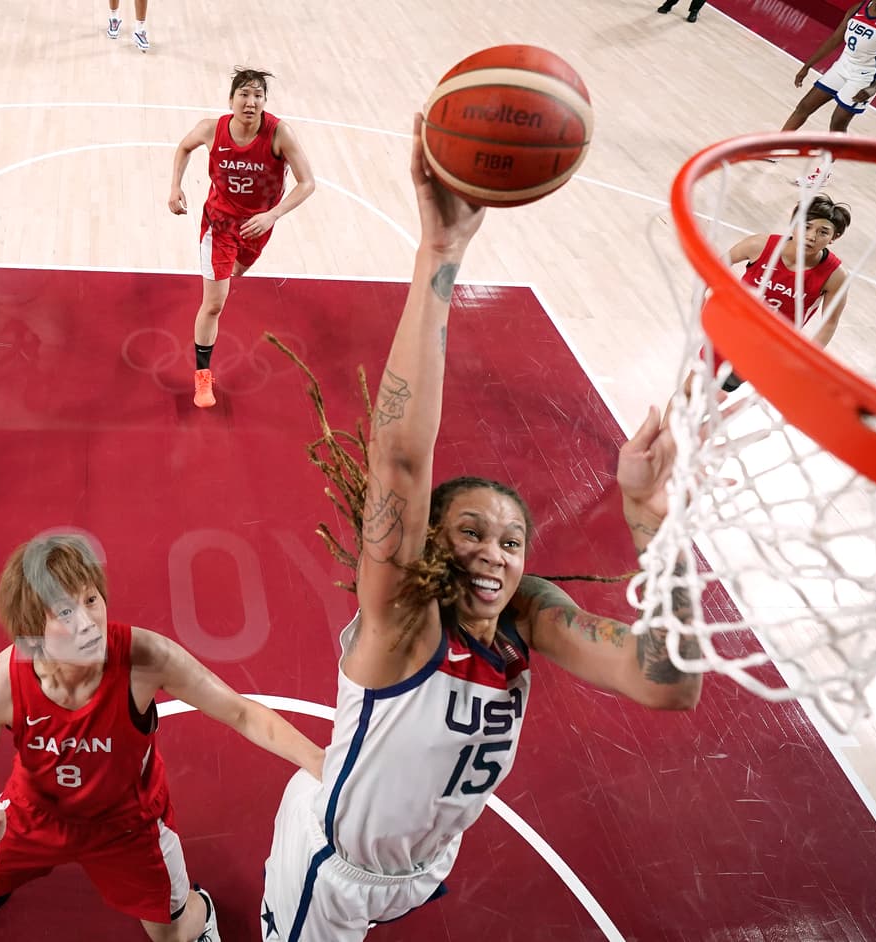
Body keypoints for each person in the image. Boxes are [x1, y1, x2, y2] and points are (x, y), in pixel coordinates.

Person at [257, 114, 703, 941]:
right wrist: (440, 253)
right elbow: (397, 459)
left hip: (424, 866)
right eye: (468, 531)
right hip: (334, 873)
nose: (492, 551)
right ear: (430, 540)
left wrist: (652, 519)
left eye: (509, 539)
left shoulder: (524, 625)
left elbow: (668, 685)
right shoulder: (401, 623)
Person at [0, 535, 326, 942]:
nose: (88, 623)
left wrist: (322, 762)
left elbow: (241, 712)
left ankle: (200, 911)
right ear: (33, 630)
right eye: (65, 613)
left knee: (173, 935)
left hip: (127, 824)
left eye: (91, 600)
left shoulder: (144, 659)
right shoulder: (3, 682)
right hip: (36, 815)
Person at [169, 68, 316, 408]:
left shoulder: (280, 134)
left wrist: (273, 214)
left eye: (258, 96)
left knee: (236, 272)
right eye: (244, 95)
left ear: (265, 102)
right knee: (216, 302)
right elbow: (183, 147)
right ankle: (202, 379)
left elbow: (308, 182)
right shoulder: (212, 129)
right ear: (231, 100)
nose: (251, 103)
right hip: (219, 224)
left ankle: (232, 267)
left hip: (257, 227)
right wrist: (175, 185)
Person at [693, 194, 852, 394]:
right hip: (731, 330)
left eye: (823, 232)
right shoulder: (759, 245)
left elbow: (829, 323)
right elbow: (716, 266)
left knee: (716, 398)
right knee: (692, 391)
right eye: (806, 226)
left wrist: (807, 359)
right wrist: (701, 305)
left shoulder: (835, 276)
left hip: (768, 349)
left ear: (834, 237)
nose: (811, 236)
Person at [780, 1, 876, 186]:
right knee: (804, 106)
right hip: (843, 66)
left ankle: (823, 173)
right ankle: (778, 148)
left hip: (865, 77)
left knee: (837, 122)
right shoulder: (860, 7)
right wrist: (808, 65)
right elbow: (835, 38)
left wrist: (875, 86)